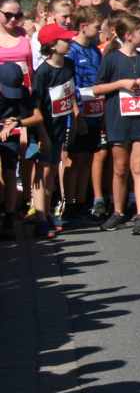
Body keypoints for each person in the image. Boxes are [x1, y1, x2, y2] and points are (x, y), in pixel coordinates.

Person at [93, 14, 140, 235]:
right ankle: (118, 212)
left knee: (139, 167)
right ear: (128, 35)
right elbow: (97, 89)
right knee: (120, 168)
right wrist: (120, 84)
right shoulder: (111, 58)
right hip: (118, 119)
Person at [31, 27, 77, 236]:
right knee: (42, 172)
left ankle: (48, 214)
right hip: (44, 130)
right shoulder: (42, 73)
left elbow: (70, 93)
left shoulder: (68, 65)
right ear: (51, 46)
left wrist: (74, 118)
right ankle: (40, 219)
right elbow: (36, 107)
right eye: (65, 40)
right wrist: (42, 134)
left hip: (59, 128)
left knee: (51, 171)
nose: (70, 42)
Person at [67, 7, 107, 222]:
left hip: (95, 112)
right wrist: (76, 115)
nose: (100, 32)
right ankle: (69, 205)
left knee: (87, 159)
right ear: (83, 27)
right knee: (74, 160)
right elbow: (69, 86)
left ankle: (81, 204)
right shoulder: (71, 51)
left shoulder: (95, 51)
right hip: (78, 114)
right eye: (97, 27)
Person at [0, 63, 43, 239]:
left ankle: (9, 219)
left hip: (10, 134)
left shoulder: (23, 92)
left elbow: (37, 117)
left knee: (9, 172)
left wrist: (18, 123)